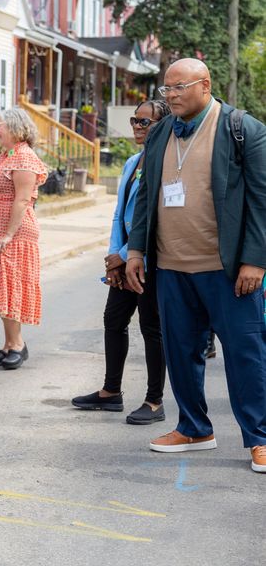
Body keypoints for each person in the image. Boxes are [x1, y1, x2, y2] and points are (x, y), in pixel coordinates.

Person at [125, 59, 266, 472]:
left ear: (205, 85)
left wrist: (255, 260)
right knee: (181, 352)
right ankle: (194, 428)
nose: (169, 95)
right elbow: (148, 194)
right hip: (171, 267)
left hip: (227, 270)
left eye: (178, 87)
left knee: (246, 354)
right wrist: (136, 251)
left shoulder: (242, 129)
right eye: (166, 88)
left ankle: (259, 437)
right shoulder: (162, 132)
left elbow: (261, 201)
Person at [72, 101, 170, 425]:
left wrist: (128, 254)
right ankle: (111, 391)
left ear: (162, 125)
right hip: (124, 258)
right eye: (135, 120)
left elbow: (159, 218)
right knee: (113, 319)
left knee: (151, 326)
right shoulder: (131, 162)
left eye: (146, 122)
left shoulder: (167, 164)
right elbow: (119, 215)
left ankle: (155, 401)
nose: (138, 127)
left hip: (151, 258)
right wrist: (115, 257)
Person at [0, 107, 47, 371]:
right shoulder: (8, 155)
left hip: (13, 230)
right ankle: (7, 345)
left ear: (15, 127)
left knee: (9, 286)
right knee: (1, 287)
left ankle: (17, 345)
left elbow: (23, 199)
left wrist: (8, 234)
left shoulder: (24, 158)